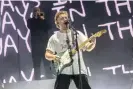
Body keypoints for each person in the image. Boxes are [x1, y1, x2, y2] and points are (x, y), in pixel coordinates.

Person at [45, 11, 96, 89]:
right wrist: (55, 57)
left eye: (66, 18)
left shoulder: (77, 34)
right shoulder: (54, 37)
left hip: (79, 69)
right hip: (63, 70)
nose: (65, 19)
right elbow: (47, 55)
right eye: (62, 18)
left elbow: (88, 48)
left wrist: (93, 42)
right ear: (57, 22)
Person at [27, 7, 51, 80]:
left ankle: (50, 80)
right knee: (36, 65)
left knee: (47, 64)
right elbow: (31, 27)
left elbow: (49, 27)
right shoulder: (30, 20)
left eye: (38, 11)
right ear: (33, 12)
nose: (37, 12)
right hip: (36, 47)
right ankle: (37, 82)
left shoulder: (43, 20)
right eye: (35, 11)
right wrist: (37, 18)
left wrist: (42, 19)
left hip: (45, 46)